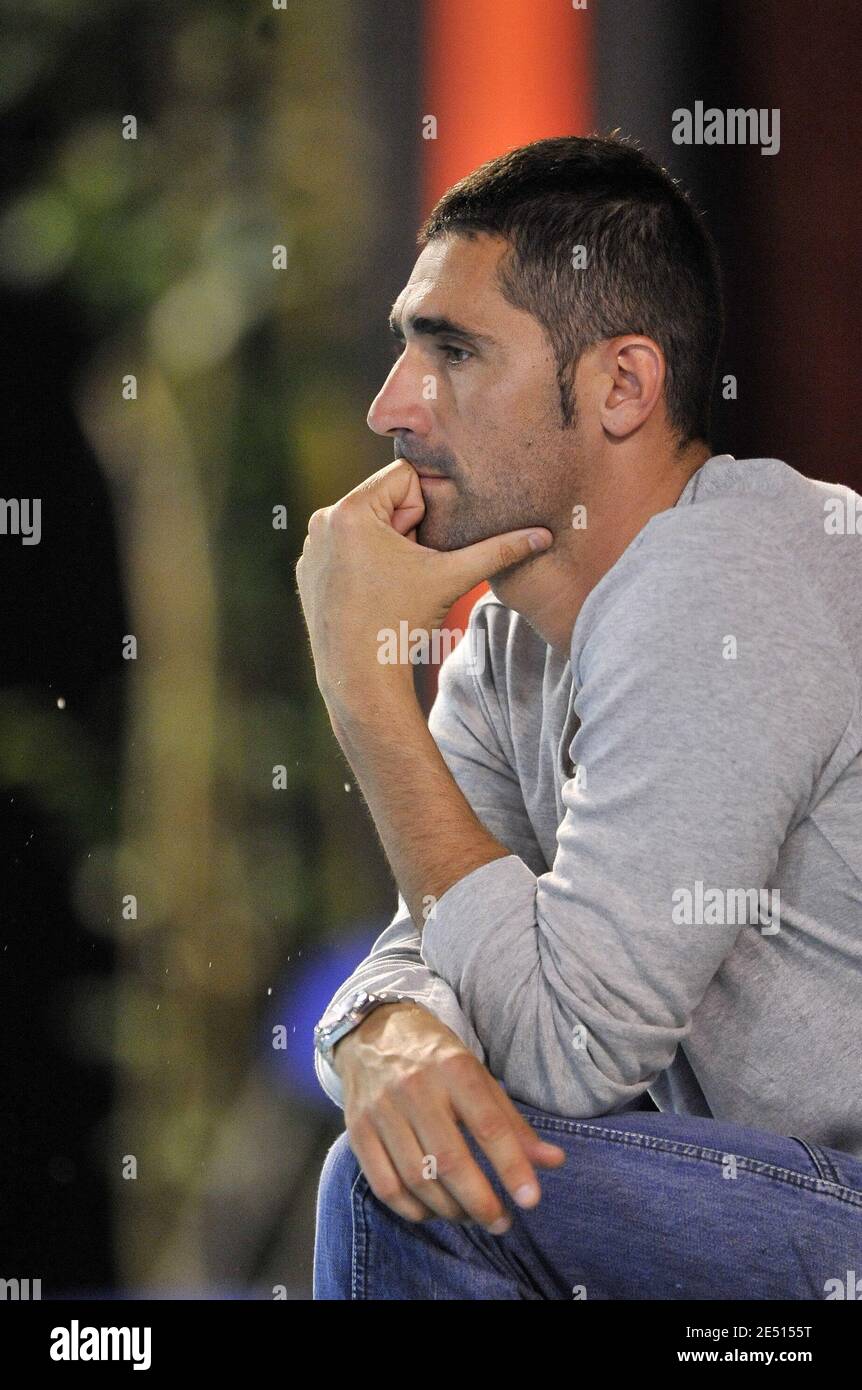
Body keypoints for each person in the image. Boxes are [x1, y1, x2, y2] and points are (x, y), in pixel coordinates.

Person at [296, 134, 862, 1300]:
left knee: (408, 1183)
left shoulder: (727, 581)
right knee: (412, 1151)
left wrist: (363, 688)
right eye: (406, 345)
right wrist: (381, 1030)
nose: (389, 406)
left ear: (621, 386)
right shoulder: (513, 640)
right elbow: (432, 934)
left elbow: (564, 1056)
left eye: (451, 351)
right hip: (789, 1208)